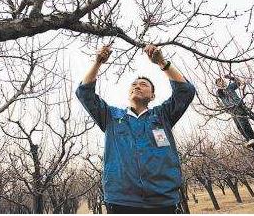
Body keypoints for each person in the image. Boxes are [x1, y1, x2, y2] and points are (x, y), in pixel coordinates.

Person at [75, 44, 196, 214]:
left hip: (163, 201)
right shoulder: (111, 116)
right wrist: (97, 62)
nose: (137, 86)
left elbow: (186, 91)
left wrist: (162, 62)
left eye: (144, 84)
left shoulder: (162, 115)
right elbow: (84, 93)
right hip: (121, 201)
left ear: (152, 96)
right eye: (134, 84)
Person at [215, 75, 254, 148]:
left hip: (238, 107)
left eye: (222, 81)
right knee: (239, 126)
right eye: (219, 83)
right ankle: (249, 139)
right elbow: (219, 92)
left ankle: (252, 137)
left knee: (243, 123)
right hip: (232, 110)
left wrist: (230, 77)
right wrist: (220, 86)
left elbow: (238, 82)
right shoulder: (219, 92)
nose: (221, 83)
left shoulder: (230, 87)